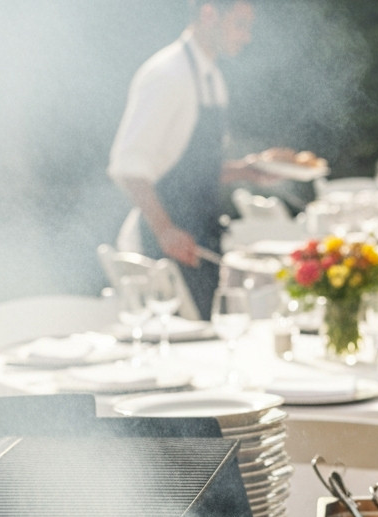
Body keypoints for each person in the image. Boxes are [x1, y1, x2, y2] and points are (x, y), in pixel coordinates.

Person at [107, 0, 270, 319]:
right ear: (209, 14)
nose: (246, 37)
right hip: (163, 250)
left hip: (202, 240)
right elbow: (129, 166)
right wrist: (165, 231)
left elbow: (193, 169)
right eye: (240, 25)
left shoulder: (213, 79)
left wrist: (246, 171)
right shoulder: (167, 74)